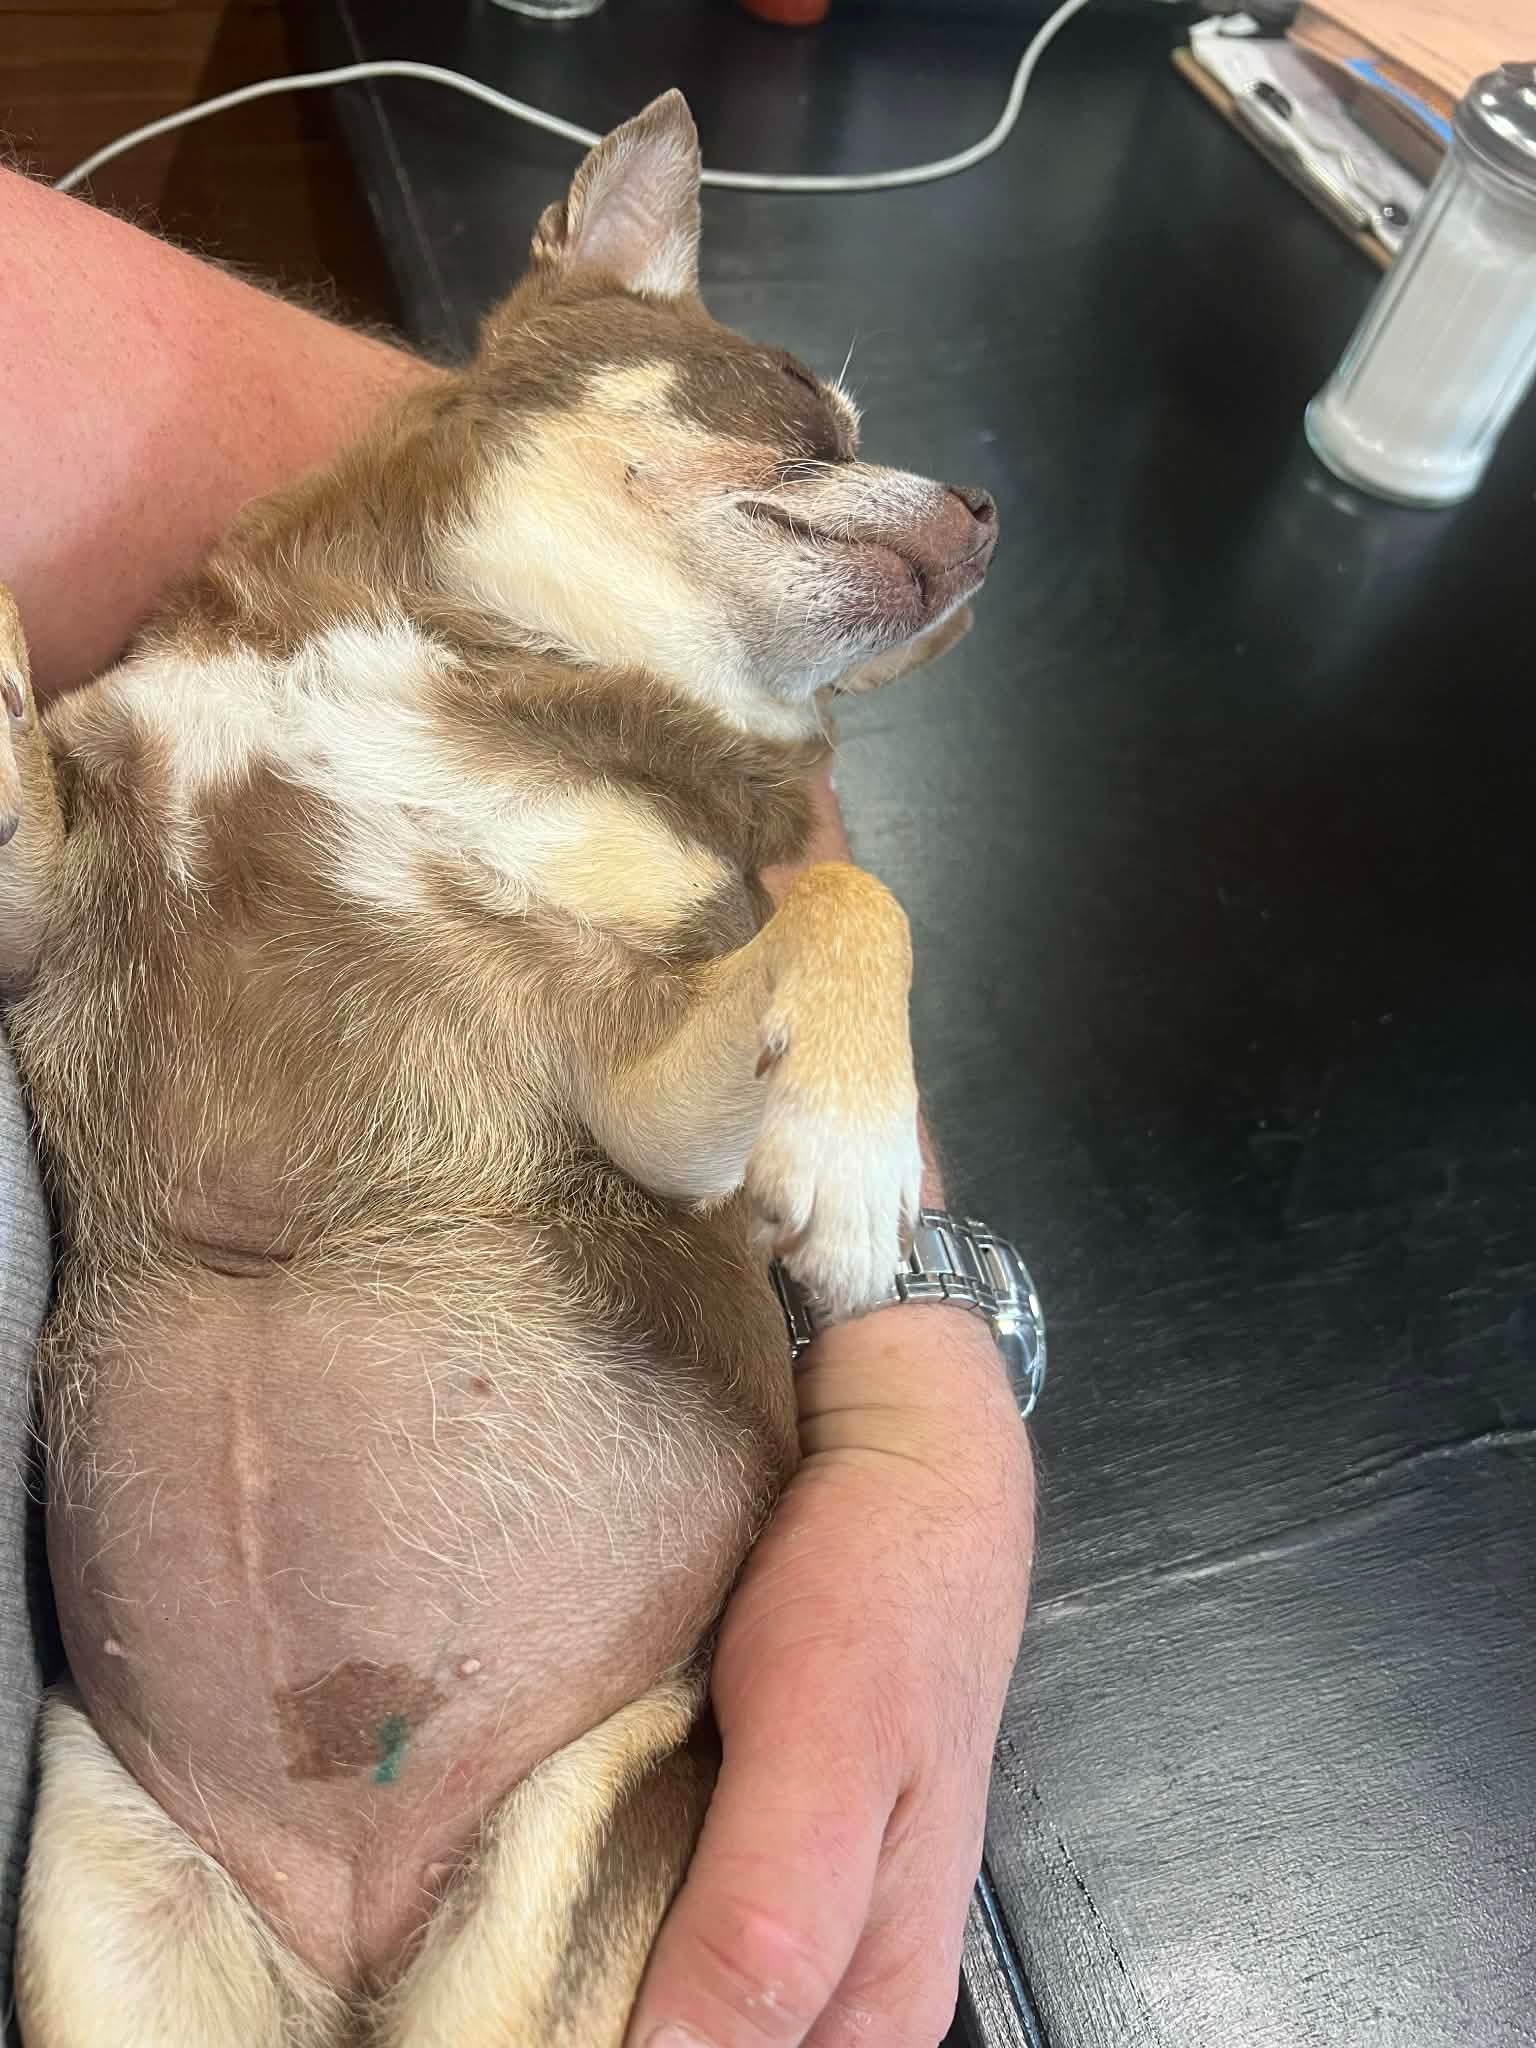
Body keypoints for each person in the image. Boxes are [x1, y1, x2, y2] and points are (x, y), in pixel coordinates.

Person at [0, 163, 1035, 2048]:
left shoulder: (635, 829)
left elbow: (674, 1109)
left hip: (580, 1782)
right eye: (802, 425)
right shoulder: (174, 687)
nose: (953, 526)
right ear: (591, 284)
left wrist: (839, 955)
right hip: (159, 1824)